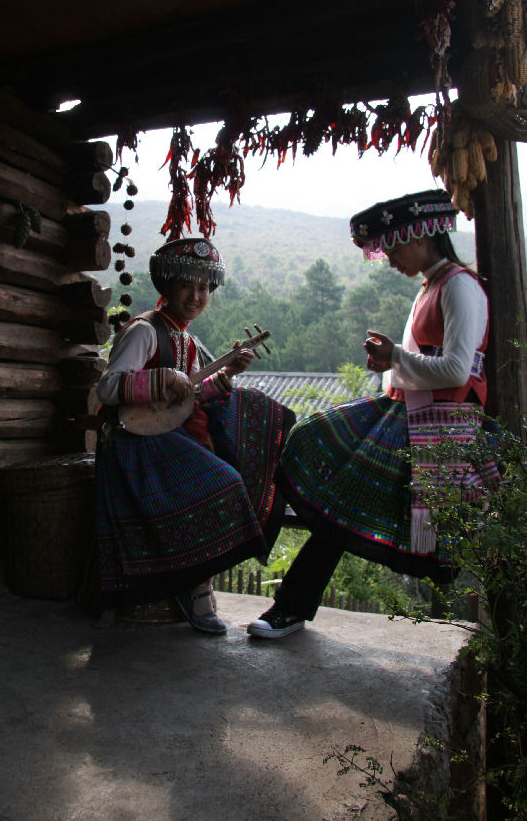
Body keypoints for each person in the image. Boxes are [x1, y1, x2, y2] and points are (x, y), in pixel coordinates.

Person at [247, 188, 496, 639]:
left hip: (441, 426)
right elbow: (425, 362)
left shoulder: (460, 286)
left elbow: (459, 368)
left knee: (427, 536)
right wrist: (390, 362)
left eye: (394, 247)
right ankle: (292, 605)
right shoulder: (434, 286)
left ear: (424, 235)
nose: (390, 259)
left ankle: (468, 636)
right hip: (408, 414)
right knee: (325, 468)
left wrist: (395, 356)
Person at [94, 236, 294, 634]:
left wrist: (228, 374)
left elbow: (188, 396)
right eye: (186, 284)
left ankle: (194, 580)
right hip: (131, 444)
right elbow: (107, 388)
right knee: (223, 482)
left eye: (204, 288)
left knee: (255, 444)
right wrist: (161, 378)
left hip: (161, 436)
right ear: (165, 286)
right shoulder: (144, 331)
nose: (196, 295)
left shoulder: (187, 340)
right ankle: (192, 584)